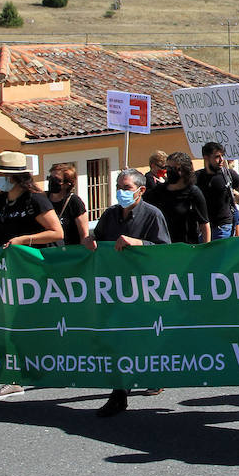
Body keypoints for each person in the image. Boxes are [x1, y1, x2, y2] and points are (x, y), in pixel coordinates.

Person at [86, 169, 172, 417]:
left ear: (140, 190)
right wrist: (90, 240)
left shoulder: (152, 215)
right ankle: (119, 393)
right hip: (114, 289)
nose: (121, 192)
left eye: (126, 187)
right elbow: (98, 239)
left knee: (142, 337)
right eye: (118, 186)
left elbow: (164, 251)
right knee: (117, 340)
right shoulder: (110, 214)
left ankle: (153, 373)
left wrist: (138, 243)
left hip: (142, 288)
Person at [0, 150, 66, 400]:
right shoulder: (0, 202)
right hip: (10, 271)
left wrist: (23, 240)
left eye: (4, 174)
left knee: (33, 323)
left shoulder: (36, 200)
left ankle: (48, 367)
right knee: (9, 322)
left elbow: (56, 233)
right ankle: (15, 377)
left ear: (18, 177)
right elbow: (1, 236)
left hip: (38, 271)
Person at [143, 151, 210, 244]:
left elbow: (204, 224)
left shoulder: (194, 193)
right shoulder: (158, 191)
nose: (169, 171)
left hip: (187, 246)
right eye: (168, 167)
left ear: (185, 170)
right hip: (163, 246)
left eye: (174, 168)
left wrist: (206, 249)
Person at [196, 142, 239, 240]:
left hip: (223, 227)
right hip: (203, 228)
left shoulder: (228, 175)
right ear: (206, 158)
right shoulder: (197, 177)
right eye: (217, 156)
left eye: (222, 156)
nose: (221, 160)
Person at [46, 162, 88, 246]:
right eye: (50, 178)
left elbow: (84, 235)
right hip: (48, 253)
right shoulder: (44, 199)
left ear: (67, 184)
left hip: (69, 254)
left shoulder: (74, 202)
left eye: (56, 180)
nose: (51, 182)